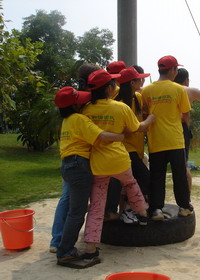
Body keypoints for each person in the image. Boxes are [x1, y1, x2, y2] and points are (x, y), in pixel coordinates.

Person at [82, 69, 154, 264]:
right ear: (108, 88)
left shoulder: (86, 110)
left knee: (97, 206)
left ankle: (90, 248)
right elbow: (137, 127)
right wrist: (150, 119)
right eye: (113, 83)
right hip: (119, 160)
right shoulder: (120, 108)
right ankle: (142, 214)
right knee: (131, 185)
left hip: (98, 164)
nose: (116, 85)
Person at [54, 86, 125, 268]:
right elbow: (101, 135)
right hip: (79, 166)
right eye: (80, 101)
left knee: (74, 209)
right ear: (75, 105)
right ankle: (65, 251)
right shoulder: (79, 119)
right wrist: (121, 136)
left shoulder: (67, 120)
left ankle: (64, 248)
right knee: (77, 212)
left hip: (67, 165)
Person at [49, 63, 102, 253]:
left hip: (69, 157)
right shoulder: (82, 102)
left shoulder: (73, 97)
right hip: (81, 158)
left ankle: (57, 241)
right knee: (76, 207)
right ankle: (63, 245)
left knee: (68, 200)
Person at [141, 55, 193, 221]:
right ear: (171, 70)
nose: (176, 72)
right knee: (179, 176)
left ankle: (155, 209)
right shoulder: (179, 89)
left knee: (157, 177)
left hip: (156, 141)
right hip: (175, 141)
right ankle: (184, 207)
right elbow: (185, 114)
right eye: (176, 69)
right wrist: (187, 129)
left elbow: (145, 114)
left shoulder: (147, 90)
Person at [114, 67, 152, 223]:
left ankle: (131, 210)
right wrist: (149, 120)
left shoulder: (137, 97)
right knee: (144, 176)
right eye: (139, 79)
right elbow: (129, 129)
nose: (142, 81)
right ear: (131, 83)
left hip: (136, 149)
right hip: (124, 149)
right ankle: (130, 210)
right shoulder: (120, 103)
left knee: (134, 180)